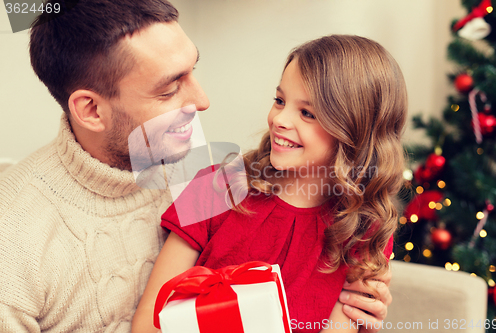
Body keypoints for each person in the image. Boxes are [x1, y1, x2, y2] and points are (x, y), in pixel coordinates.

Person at [0, 0, 392, 331]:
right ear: (91, 109)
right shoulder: (15, 241)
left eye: (194, 70)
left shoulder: (189, 157)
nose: (202, 100)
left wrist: (361, 303)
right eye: (170, 88)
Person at [132, 35, 406, 333]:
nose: (279, 119)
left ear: (354, 131)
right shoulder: (214, 186)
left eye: (307, 113)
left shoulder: (364, 230)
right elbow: (150, 319)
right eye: (279, 100)